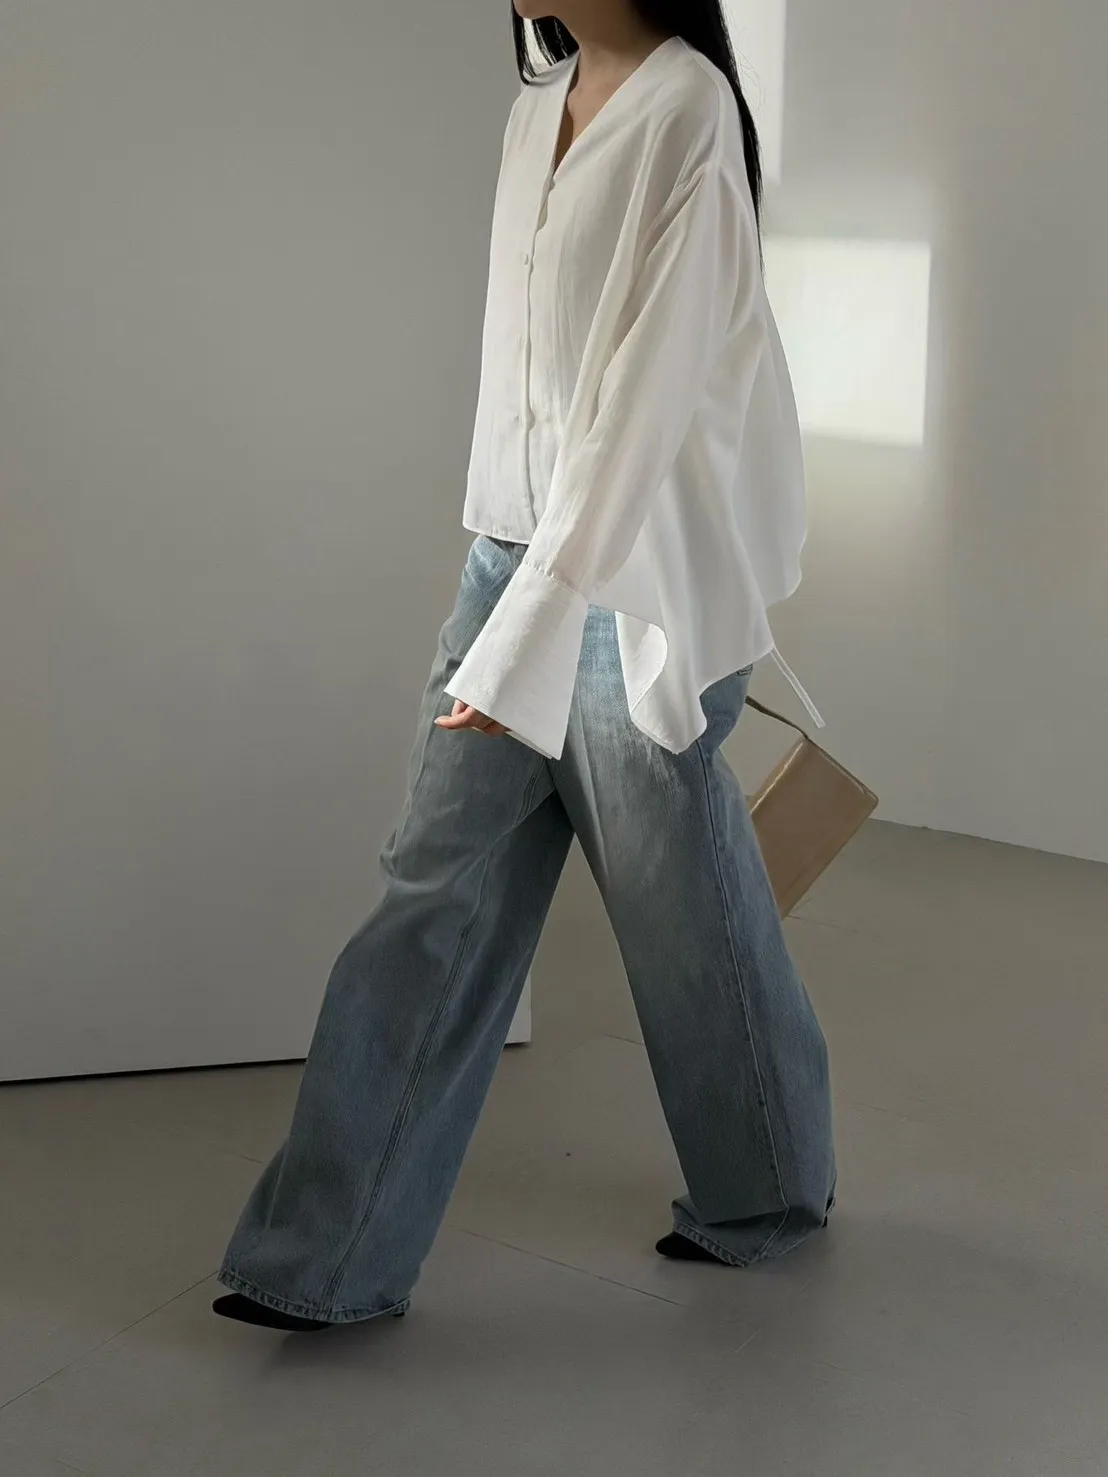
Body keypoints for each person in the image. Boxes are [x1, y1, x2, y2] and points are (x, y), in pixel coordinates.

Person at [214, 0, 835, 1334]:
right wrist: (502, 574)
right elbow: (524, 381)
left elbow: (649, 403)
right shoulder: (531, 111)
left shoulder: (688, 109)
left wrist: (541, 625)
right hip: (514, 558)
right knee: (431, 892)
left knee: (680, 910)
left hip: (637, 581)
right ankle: (324, 1259)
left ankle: (771, 1186)